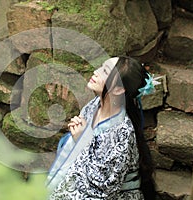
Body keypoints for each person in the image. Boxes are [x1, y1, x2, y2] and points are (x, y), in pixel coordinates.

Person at [46, 56, 156, 199]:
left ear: (118, 89)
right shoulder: (93, 105)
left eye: (105, 71)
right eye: (101, 67)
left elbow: (103, 189)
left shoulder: (122, 132)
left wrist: (81, 141)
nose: (96, 72)